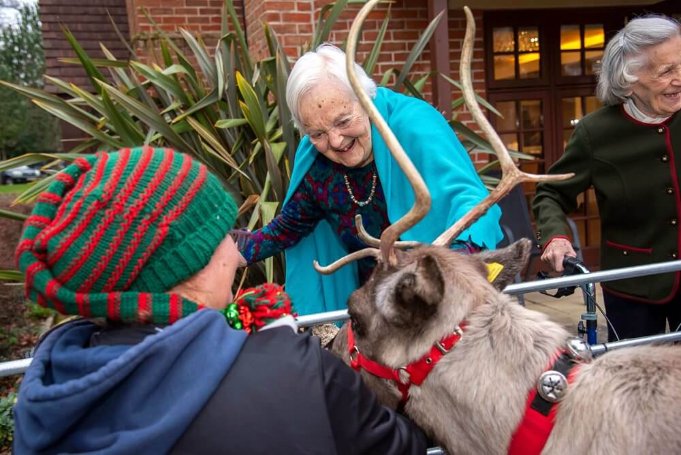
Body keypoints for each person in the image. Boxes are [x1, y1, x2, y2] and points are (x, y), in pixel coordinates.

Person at [11, 146, 427, 454]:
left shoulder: (47, 390)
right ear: (182, 266)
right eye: (224, 237)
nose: (234, 252)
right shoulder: (294, 370)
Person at [240, 43, 503, 315]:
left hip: (446, 297)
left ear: (365, 99)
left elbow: (472, 204)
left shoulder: (415, 124)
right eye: (317, 133)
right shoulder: (315, 161)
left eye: (343, 121)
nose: (335, 141)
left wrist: (451, 266)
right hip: (382, 313)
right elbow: (290, 226)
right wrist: (238, 251)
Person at [532, 14, 681, 341]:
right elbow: (551, 194)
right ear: (629, 79)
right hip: (632, 287)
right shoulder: (596, 132)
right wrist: (557, 236)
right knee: (632, 383)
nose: (679, 78)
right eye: (666, 71)